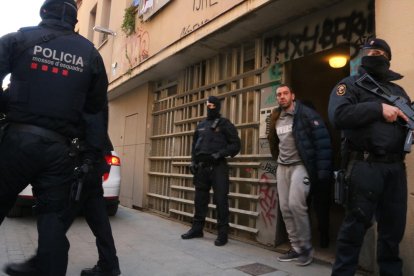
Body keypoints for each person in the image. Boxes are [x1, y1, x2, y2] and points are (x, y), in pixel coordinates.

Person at [0, 0, 108, 275]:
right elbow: (95, 112)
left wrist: (6, 103)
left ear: (43, 12)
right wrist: (92, 157)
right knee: (52, 221)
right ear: (74, 20)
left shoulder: (20, 39)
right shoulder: (90, 54)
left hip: (16, 142)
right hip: (59, 152)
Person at [328, 38, 409, 276]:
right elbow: (338, 116)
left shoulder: (398, 91)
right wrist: (377, 109)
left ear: (387, 57)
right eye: (369, 51)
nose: (373, 55)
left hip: (395, 169)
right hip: (365, 167)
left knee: (393, 232)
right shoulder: (350, 85)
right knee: (354, 229)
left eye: (379, 52)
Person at [267, 84, 333, 266]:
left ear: (292, 96)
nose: (281, 97)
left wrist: (322, 171)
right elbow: (273, 140)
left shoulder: (305, 114)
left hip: (300, 166)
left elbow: (322, 141)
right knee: (285, 208)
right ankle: (295, 248)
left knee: (296, 205)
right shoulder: (275, 117)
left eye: (285, 93)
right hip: (282, 166)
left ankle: (306, 248)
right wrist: (277, 158)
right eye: (279, 94)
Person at [181, 96, 241, 246]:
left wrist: (220, 154)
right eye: (208, 105)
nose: (210, 108)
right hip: (201, 168)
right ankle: (197, 229)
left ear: (218, 107)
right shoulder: (201, 125)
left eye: (213, 105)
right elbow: (195, 146)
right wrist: (193, 161)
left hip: (218, 166)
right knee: (200, 200)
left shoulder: (225, 124)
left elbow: (236, 145)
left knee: (221, 200)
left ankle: (223, 233)